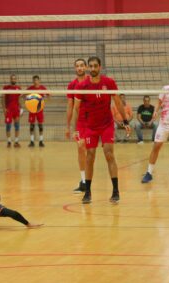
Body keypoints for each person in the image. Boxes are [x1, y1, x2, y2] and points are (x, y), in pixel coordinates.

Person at [73, 56, 131, 204]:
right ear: (88, 68)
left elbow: (118, 102)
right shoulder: (82, 86)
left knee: (109, 154)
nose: (92, 69)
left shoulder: (109, 82)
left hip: (106, 125)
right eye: (90, 66)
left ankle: (116, 191)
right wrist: (76, 129)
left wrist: (125, 121)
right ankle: (88, 192)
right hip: (90, 126)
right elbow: (76, 108)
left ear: (100, 67)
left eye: (95, 66)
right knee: (90, 156)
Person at [66, 59, 88, 194]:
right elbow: (70, 106)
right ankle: (84, 181)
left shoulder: (92, 82)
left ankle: (88, 181)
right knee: (81, 149)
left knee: (91, 152)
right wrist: (68, 126)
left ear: (85, 67)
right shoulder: (72, 85)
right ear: (75, 68)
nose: (79, 68)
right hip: (80, 122)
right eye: (77, 66)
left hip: (93, 120)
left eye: (82, 65)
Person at [27, 75, 49, 147]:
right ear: (33, 81)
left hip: (39, 109)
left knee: (40, 125)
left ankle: (41, 141)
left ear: (39, 80)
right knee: (32, 125)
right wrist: (27, 101)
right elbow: (23, 95)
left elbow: (49, 95)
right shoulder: (30, 88)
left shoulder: (43, 88)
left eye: (37, 80)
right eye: (34, 80)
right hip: (32, 109)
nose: (35, 82)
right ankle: (32, 141)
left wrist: (45, 99)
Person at [2, 74, 22, 147]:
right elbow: (3, 98)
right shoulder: (6, 88)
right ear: (10, 80)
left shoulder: (18, 88)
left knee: (17, 126)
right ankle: (9, 141)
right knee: (8, 126)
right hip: (9, 109)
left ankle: (16, 142)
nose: (13, 80)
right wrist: (4, 108)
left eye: (14, 79)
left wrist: (21, 108)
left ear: (16, 80)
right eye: (12, 79)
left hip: (16, 109)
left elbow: (19, 99)